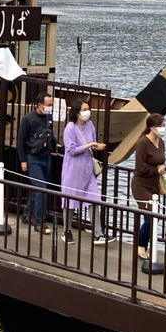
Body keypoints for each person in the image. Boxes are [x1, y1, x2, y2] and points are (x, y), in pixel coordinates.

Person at [60, 99, 113, 245]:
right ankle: (67, 231)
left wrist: (97, 146)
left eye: (88, 109)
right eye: (84, 109)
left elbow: (93, 143)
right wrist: (89, 145)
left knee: (94, 199)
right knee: (70, 201)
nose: (87, 112)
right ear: (77, 112)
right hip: (73, 170)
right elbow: (71, 150)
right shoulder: (70, 128)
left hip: (87, 170)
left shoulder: (90, 125)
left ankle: (98, 234)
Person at [16, 92, 58, 234]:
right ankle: (39, 222)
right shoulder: (28, 119)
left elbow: (49, 134)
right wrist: (23, 159)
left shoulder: (49, 118)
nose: (50, 108)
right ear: (40, 105)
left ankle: (28, 213)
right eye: (48, 105)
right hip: (33, 158)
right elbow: (20, 140)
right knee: (41, 189)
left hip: (46, 157)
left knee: (38, 189)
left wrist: (55, 144)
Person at [131, 113, 166, 260]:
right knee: (150, 217)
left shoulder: (161, 142)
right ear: (152, 127)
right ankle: (141, 246)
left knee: (154, 217)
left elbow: (161, 161)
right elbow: (140, 167)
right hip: (141, 185)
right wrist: (155, 170)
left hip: (154, 185)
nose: (163, 128)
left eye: (164, 125)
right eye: (161, 126)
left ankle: (146, 246)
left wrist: (164, 171)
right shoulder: (142, 143)